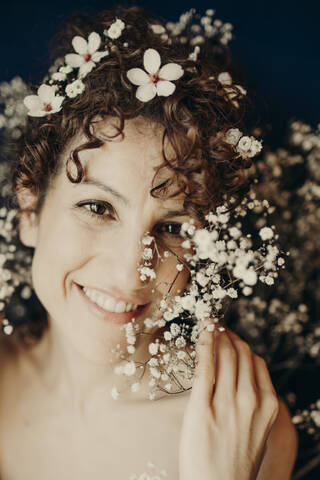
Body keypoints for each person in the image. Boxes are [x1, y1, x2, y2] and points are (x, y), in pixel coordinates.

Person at [0, 5, 298, 479]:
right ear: (30, 210)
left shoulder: (244, 431)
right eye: (98, 208)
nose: (128, 272)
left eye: (174, 228)